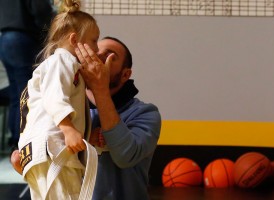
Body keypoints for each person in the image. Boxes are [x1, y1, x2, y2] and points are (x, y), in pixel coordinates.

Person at [17, 0, 101, 199]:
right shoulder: (63, 60)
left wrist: (87, 136)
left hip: (37, 152)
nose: (96, 49)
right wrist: (67, 128)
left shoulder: (54, 66)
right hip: (52, 148)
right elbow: (54, 98)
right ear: (74, 40)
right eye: (94, 40)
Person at [76, 37, 161, 200]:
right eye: (94, 51)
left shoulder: (145, 113)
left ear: (125, 75)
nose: (97, 57)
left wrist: (100, 88)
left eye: (110, 55)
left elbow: (125, 156)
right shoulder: (68, 110)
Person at [0, 0, 54, 149]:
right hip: (23, 37)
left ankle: (14, 139)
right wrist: (49, 29)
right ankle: (23, 140)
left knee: (15, 94)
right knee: (27, 92)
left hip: (4, 38)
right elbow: (41, 9)